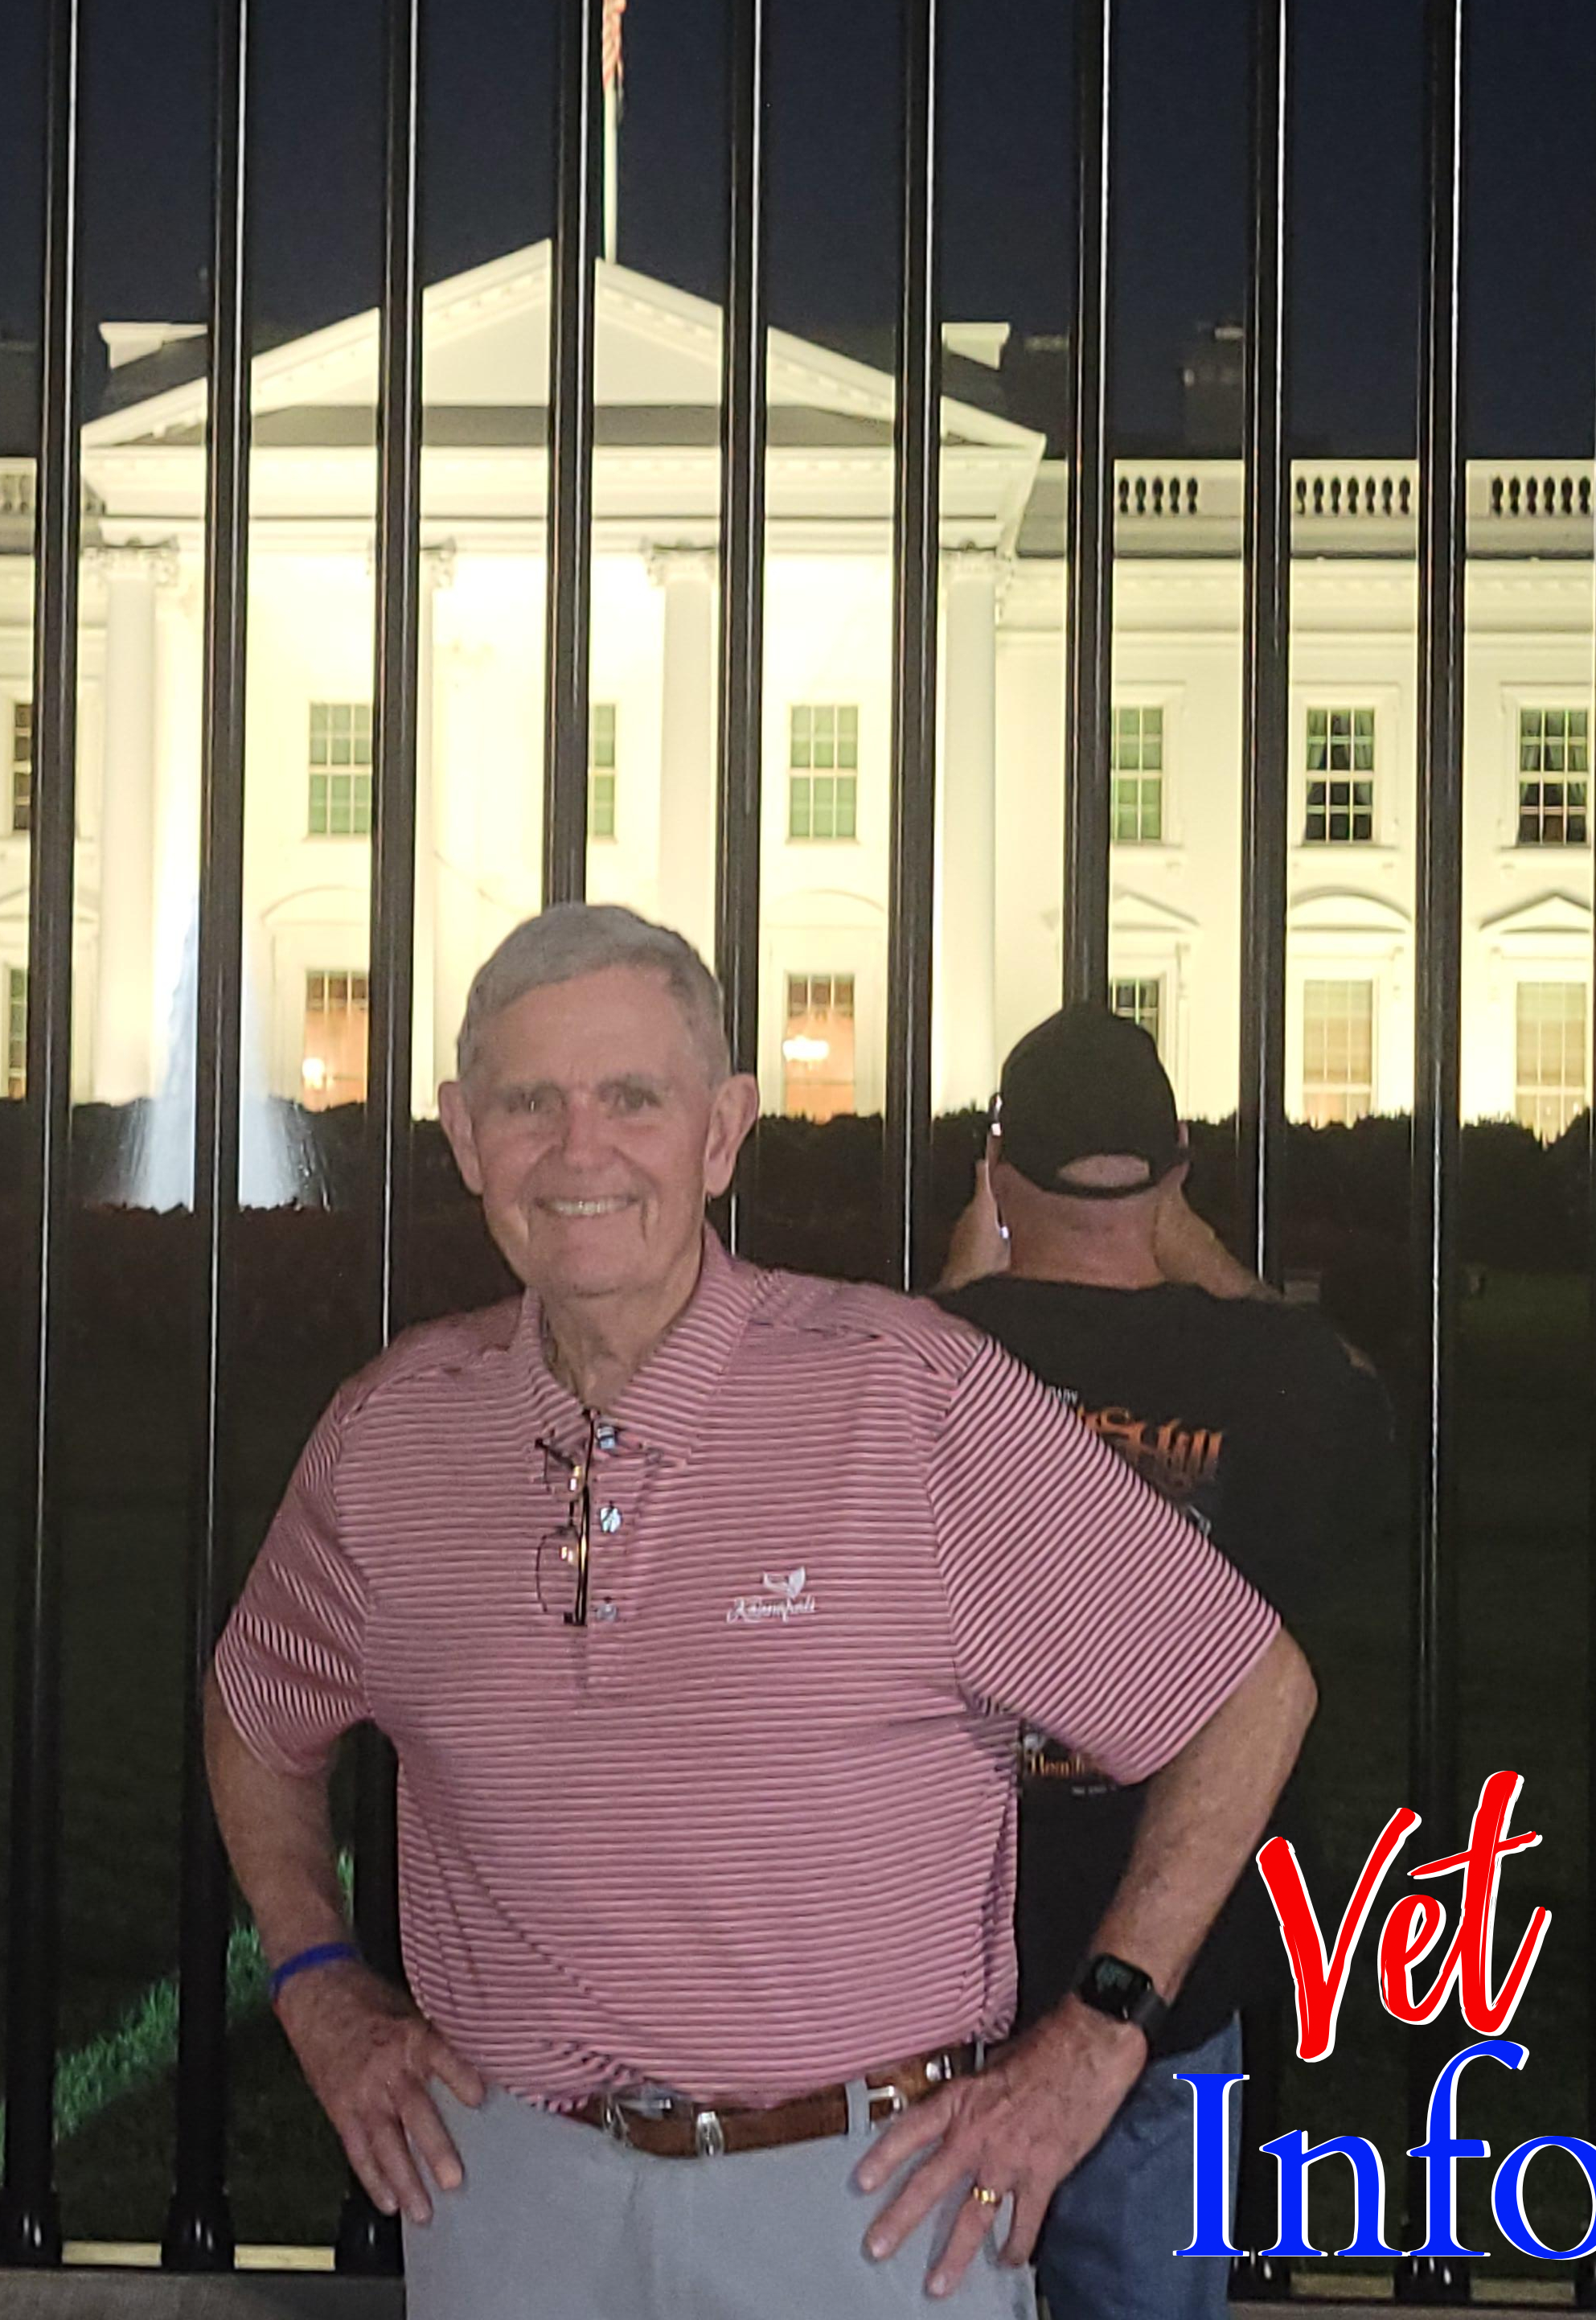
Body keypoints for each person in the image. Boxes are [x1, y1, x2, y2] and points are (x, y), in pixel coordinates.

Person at [204, 903, 1317, 2320]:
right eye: (529, 1103)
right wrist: (316, 1978)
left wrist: (1097, 2037)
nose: (580, 1149)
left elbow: (1243, 1692)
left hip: (860, 2207)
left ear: (723, 1131)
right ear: (464, 1136)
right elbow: (255, 1720)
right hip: (507, 2204)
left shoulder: (903, 1398)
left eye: (633, 1098)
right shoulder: (392, 1438)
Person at [937, 1001, 1404, 2320]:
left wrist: (970, 1283)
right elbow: (1366, 1416)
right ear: (1176, 1169)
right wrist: (1203, 1256)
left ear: (998, 1168)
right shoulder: (1279, 1371)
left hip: (950, 1954)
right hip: (1176, 1969)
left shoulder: (937, 1358)